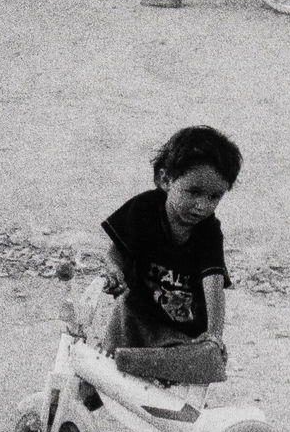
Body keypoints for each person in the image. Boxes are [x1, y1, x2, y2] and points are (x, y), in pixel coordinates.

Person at [99, 126, 242, 374]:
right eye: (194, 192)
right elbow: (115, 252)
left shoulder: (208, 231)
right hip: (135, 316)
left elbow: (214, 283)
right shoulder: (143, 210)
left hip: (180, 332)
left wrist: (214, 336)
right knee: (105, 370)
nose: (202, 206)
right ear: (165, 180)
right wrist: (115, 272)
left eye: (214, 197)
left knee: (170, 392)